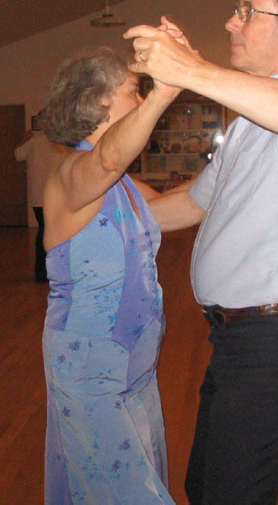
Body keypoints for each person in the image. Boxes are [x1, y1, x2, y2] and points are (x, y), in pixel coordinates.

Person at [124, 0, 278, 504]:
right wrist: (100, 195)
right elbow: (188, 204)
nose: (231, 21)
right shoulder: (248, 123)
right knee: (205, 487)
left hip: (275, 342)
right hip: (238, 341)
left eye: (247, 11)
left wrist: (194, 67)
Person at [38, 46, 178, 504]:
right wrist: (164, 94)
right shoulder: (72, 173)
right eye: (133, 93)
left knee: (114, 484)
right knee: (131, 493)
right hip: (89, 365)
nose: (140, 101)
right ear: (99, 102)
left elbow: (184, 207)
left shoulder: (122, 184)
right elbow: (106, 161)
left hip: (135, 364)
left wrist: (243, 161)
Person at [14, 127, 69, 282]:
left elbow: (18, 155)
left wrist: (24, 138)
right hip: (57, 196)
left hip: (39, 197)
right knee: (58, 233)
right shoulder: (60, 143)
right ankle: (58, 270)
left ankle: (41, 273)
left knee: (42, 233)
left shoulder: (32, 142)